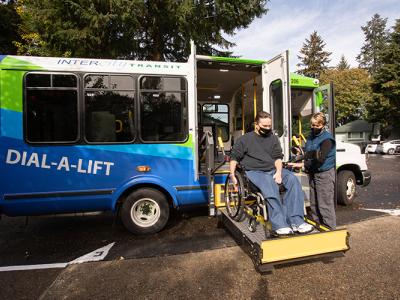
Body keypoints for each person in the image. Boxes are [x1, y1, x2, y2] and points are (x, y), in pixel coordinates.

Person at [229, 111, 313, 236]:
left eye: (269, 126)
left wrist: (279, 173)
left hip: (272, 169)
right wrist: (232, 175)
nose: (268, 129)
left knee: (292, 179)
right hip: (254, 171)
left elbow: (278, 158)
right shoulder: (245, 139)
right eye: (264, 126)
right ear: (256, 125)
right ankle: (279, 224)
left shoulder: (273, 138)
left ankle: (297, 221)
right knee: (269, 183)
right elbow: (234, 158)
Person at [288, 112, 336, 229]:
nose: (314, 128)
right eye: (312, 125)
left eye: (317, 126)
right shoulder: (310, 137)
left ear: (323, 125)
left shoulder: (327, 139)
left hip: (324, 174)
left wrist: (302, 164)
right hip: (313, 173)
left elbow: (320, 158)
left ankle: (330, 229)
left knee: (325, 204)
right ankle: (318, 226)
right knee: (314, 204)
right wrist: (300, 152)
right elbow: (309, 150)